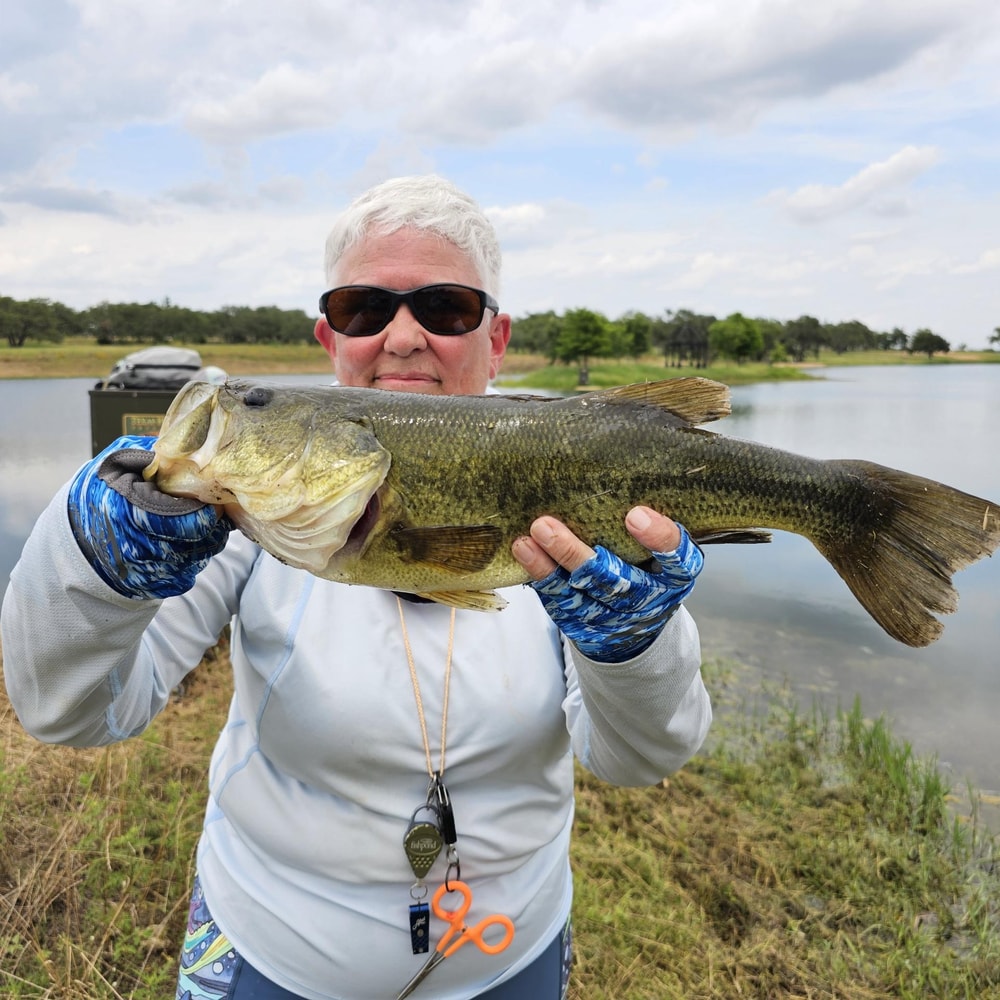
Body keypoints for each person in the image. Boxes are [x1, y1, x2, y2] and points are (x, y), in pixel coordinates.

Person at [1, 175, 712, 1000]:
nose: (402, 336)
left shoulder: (575, 492)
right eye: (363, 310)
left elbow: (639, 758)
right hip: (271, 951)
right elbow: (70, 711)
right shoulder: (245, 522)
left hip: (511, 957)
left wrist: (636, 648)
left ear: (498, 336)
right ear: (329, 337)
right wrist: (90, 560)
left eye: (445, 308)